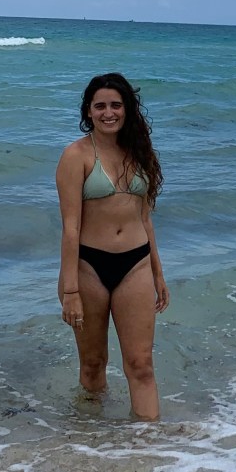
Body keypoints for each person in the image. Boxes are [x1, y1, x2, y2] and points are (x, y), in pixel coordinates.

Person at [56, 72, 168, 420]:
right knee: (92, 365)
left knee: (142, 365)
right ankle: (91, 446)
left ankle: (149, 447)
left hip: (136, 264)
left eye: (116, 105)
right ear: (88, 111)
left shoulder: (140, 152)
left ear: (127, 109)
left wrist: (158, 274)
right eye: (100, 105)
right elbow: (70, 228)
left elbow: (145, 219)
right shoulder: (76, 156)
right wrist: (70, 288)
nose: (109, 112)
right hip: (89, 267)